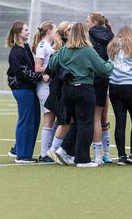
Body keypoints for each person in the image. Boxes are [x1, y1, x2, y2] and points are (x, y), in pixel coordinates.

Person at [49, 23, 114, 168]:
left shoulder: (65, 50)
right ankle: (82, 159)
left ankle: (65, 150)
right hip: (84, 89)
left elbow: (52, 64)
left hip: (68, 90)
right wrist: (111, 63)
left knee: (78, 122)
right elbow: (104, 70)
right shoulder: (88, 51)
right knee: (86, 123)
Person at [6, 20, 49, 163]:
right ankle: (22, 156)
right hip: (22, 89)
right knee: (26, 121)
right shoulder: (16, 52)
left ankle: (18, 149)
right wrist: (41, 77)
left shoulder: (25, 47)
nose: (28, 32)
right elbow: (23, 73)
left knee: (34, 119)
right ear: (18, 33)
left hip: (29, 89)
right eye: (25, 30)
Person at [107, 26, 132, 165]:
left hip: (114, 86)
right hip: (130, 85)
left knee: (120, 121)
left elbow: (109, 66)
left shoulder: (111, 46)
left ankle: (121, 155)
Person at [44, 21, 74, 164]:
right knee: (65, 120)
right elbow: (50, 70)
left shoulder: (66, 49)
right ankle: (53, 151)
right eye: (70, 29)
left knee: (63, 120)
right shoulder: (60, 50)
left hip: (62, 88)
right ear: (65, 33)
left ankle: (59, 150)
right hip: (60, 88)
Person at [87, 12, 114, 164]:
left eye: (88, 21)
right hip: (105, 78)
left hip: (91, 78)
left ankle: (96, 154)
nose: (86, 24)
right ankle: (106, 154)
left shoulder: (89, 35)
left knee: (94, 118)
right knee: (103, 117)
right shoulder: (111, 35)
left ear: (94, 23)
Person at [31, 21, 56, 163]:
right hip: (44, 87)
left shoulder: (47, 45)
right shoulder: (43, 45)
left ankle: (50, 151)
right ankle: (44, 154)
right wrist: (50, 72)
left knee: (52, 119)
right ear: (49, 32)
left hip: (49, 87)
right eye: (55, 30)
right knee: (48, 119)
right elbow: (37, 67)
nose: (56, 33)